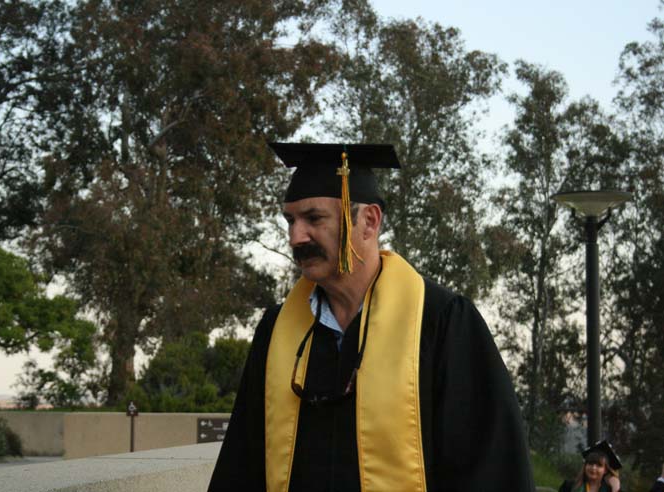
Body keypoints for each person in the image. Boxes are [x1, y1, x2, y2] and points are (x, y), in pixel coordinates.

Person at [208, 142, 535, 491]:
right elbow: (243, 464)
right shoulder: (278, 332)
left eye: (313, 218)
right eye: (290, 220)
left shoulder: (439, 322)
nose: (295, 236)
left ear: (369, 221)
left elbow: (489, 468)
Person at [558, 440, 623, 492]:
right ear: (585, 466)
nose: (593, 468)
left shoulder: (609, 490)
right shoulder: (569, 487)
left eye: (599, 465)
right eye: (590, 463)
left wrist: (615, 487)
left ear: (605, 470)